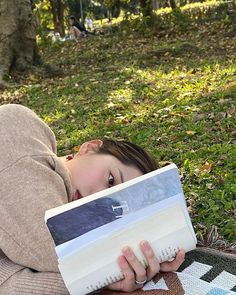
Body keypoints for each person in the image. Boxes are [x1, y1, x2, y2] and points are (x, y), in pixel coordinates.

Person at [0, 104, 185, 294]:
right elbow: (48, 246)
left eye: (114, 207)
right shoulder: (19, 127)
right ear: (90, 148)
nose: (97, 202)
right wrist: (111, 270)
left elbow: (10, 285)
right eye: (111, 180)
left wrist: (107, 280)